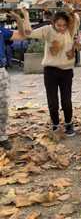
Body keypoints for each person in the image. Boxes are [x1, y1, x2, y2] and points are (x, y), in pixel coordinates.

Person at [27, 11, 80, 136]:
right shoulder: (48, 30)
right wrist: (25, 15)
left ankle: (68, 123)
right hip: (50, 71)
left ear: (68, 25)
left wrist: (71, 9)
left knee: (66, 100)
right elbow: (29, 33)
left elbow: (76, 18)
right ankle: (55, 124)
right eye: (58, 25)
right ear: (53, 23)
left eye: (64, 25)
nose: (61, 28)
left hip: (67, 71)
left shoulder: (70, 31)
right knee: (52, 101)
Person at [0, 9, 29, 150]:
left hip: (1, 71)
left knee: (3, 106)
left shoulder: (1, 31)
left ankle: (2, 136)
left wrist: (18, 19)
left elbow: (22, 35)